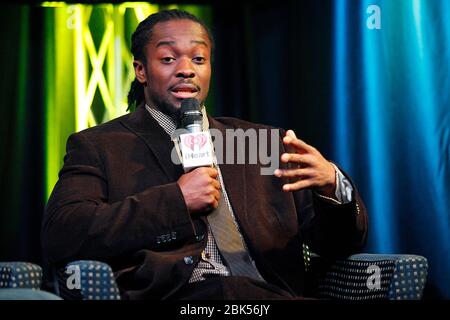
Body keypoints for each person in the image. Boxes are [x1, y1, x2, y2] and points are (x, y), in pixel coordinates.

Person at [41, 9, 368, 300]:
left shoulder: (264, 142)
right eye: (168, 59)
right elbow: (63, 234)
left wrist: (332, 188)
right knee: (229, 290)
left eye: (198, 59)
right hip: (175, 295)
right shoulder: (101, 145)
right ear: (141, 70)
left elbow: (340, 246)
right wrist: (176, 202)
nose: (186, 70)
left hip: (271, 294)